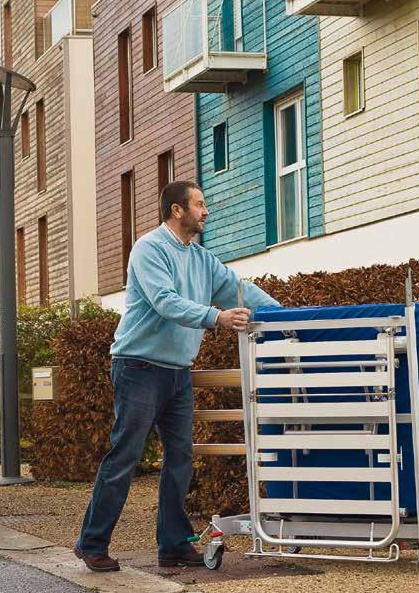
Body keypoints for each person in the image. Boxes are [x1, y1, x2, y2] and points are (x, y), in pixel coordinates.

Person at [74, 180, 280, 572]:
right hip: (138, 367)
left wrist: (288, 314)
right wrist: (215, 318)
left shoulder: (202, 259)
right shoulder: (149, 249)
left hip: (177, 373)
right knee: (126, 455)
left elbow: (240, 290)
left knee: (180, 459)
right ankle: (92, 542)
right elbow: (165, 301)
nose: (206, 211)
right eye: (199, 205)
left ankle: (172, 545)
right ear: (177, 210)